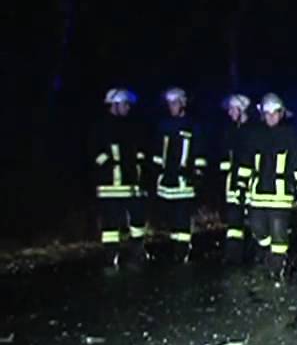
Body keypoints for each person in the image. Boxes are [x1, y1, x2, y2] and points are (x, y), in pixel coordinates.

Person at [239, 93, 297, 278]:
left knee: (279, 235)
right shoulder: (255, 135)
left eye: (275, 113)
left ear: (281, 113)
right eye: (267, 113)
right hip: (257, 194)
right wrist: (241, 186)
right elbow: (246, 163)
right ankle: (269, 254)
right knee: (257, 229)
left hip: (281, 195)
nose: (271, 117)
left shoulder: (291, 135)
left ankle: (277, 271)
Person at [89, 88, 150, 267]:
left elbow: (138, 153)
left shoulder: (132, 126)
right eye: (124, 105)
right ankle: (111, 255)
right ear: (114, 105)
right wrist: (109, 165)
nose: (127, 108)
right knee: (110, 224)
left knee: (137, 220)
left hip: (132, 184)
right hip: (110, 185)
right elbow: (94, 153)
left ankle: (137, 251)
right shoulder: (100, 127)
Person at [152, 87, 206, 262]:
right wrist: (155, 172)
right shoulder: (163, 125)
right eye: (169, 104)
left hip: (185, 180)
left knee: (183, 217)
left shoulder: (193, 126)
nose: (171, 107)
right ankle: (175, 249)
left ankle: (182, 251)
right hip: (167, 180)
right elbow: (158, 152)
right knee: (171, 217)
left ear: (183, 103)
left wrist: (197, 173)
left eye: (175, 103)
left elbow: (199, 151)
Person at [218, 94, 255, 263]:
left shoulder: (252, 131)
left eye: (233, 109)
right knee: (233, 223)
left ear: (242, 110)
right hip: (232, 183)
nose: (230, 113)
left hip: (250, 183)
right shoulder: (230, 131)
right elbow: (226, 160)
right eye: (229, 110)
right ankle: (233, 256)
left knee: (252, 220)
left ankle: (253, 255)